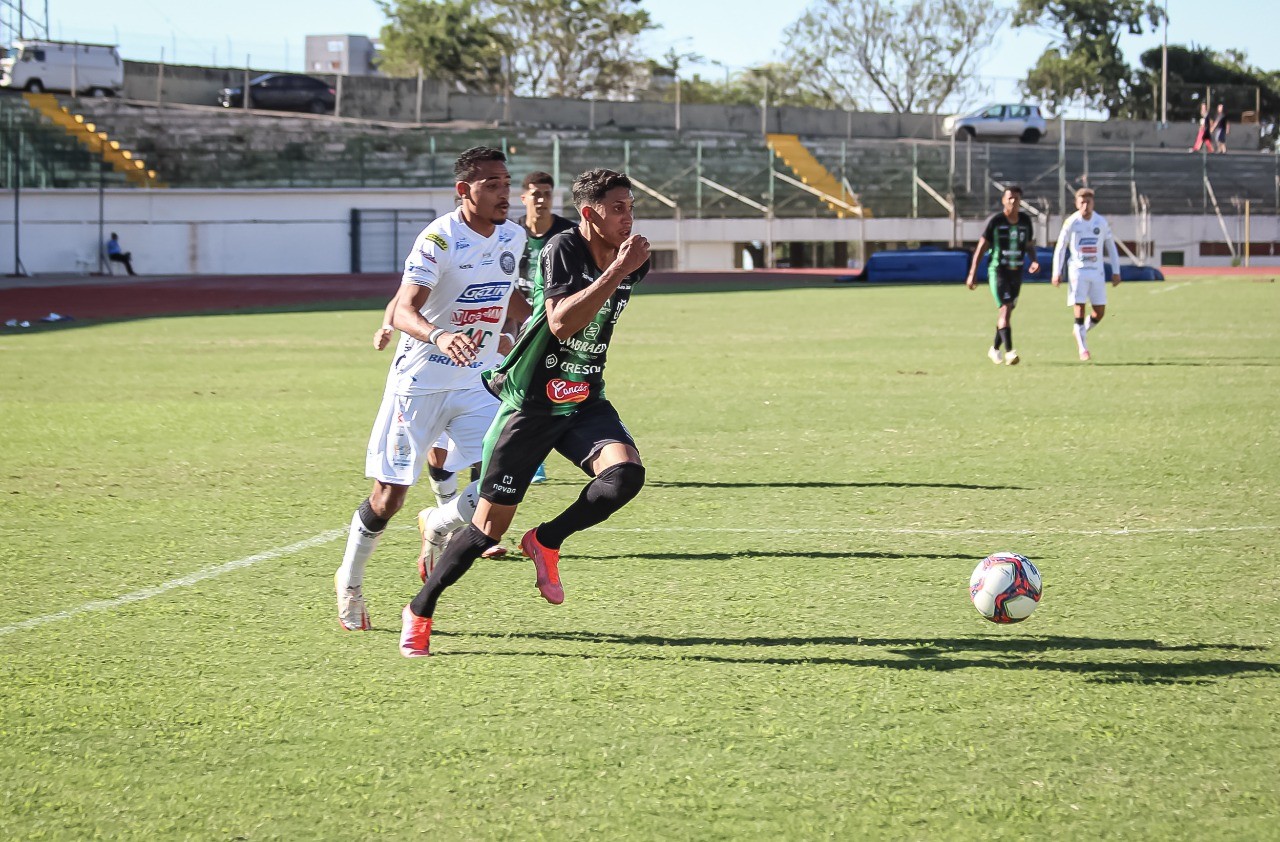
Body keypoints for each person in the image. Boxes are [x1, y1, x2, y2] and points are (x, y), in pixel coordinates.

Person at [399, 168, 651, 657]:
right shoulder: (563, 249)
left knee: (624, 477)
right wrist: (616, 270)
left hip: (581, 396)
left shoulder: (634, 260)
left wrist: (622, 266)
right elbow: (559, 322)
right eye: (617, 208)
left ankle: (546, 540)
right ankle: (420, 610)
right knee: (487, 530)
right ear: (589, 214)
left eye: (631, 207)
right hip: (531, 403)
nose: (628, 217)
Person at [334, 146, 529, 632]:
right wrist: (441, 334)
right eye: (492, 184)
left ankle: (440, 521)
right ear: (464, 190)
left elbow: (511, 301)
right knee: (388, 498)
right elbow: (403, 309)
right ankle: (351, 580)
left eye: (507, 182)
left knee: (503, 481)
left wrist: (525, 329)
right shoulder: (438, 239)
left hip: (476, 381)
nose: (504, 193)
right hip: (418, 384)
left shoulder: (514, 237)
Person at [515, 170, 577, 485]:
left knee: (545, 391)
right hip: (511, 323)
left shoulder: (568, 234)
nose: (540, 199)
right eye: (535, 193)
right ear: (523, 197)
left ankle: (532, 458)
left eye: (546, 194)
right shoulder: (510, 233)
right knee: (511, 391)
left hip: (552, 325)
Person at [966, 186, 1039, 366]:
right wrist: (972, 273)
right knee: (1005, 308)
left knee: (1005, 313)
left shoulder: (1025, 221)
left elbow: (1029, 244)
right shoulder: (996, 222)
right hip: (998, 271)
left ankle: (994, 349)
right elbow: (981, 248)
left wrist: (1034, 260)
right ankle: (1010, 353)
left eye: (1016, 198)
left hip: (1017, 272)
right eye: (1010, 198)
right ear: (1003, 200)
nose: (1013, 202)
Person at [1051, 188, 1121, 361]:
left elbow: (1111, 247)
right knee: (1079, 307)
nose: (1085, 205)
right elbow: (1060, 247)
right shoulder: (1071, 222)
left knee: (1099, 312)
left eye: (1088, 202)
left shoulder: (1101, 222)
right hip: (1078, 271)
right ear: (1076, 203)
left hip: (1097, 272)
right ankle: (1083, 348)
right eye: (1081, 202)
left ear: (1093, 203)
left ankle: (1079, 330)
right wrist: (1056, 272)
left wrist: (1116, 271)